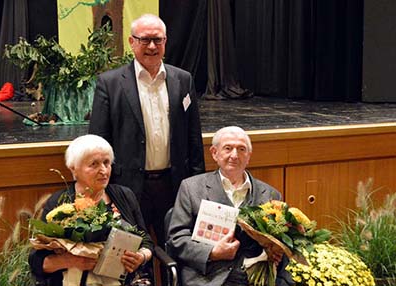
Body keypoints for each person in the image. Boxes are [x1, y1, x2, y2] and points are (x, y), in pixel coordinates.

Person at [89, 14, 205, 246]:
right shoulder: (109, 83)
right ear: (132, 42)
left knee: (177, 252)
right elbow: (98, 140)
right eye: (145, 40)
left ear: (165, 42)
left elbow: (194, 137)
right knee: (132, 255)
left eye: (157, 40)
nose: (152, 46)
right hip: (128, 187)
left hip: (174, 186)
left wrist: (196, 183)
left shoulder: (183, 80)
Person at [167, 126, 295, 286]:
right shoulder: (191, 188)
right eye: (228, 148)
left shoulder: (271, 195)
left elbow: (281, 241)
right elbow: (176, 239)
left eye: (241, 149)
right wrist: (212, 253)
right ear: (214, 153)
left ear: (249, 156)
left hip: (255, 278)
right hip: (208, 277)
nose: (234, 155)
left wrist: (276, 250)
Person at [29, 134, 154, 286]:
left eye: (106, 163)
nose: (103, 170)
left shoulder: (124, 195)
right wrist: (71, 261)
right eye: (94, 164)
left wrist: (140, 257)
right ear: (73, 168)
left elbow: (146, 241)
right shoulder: (59, 203)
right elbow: (37, 262)